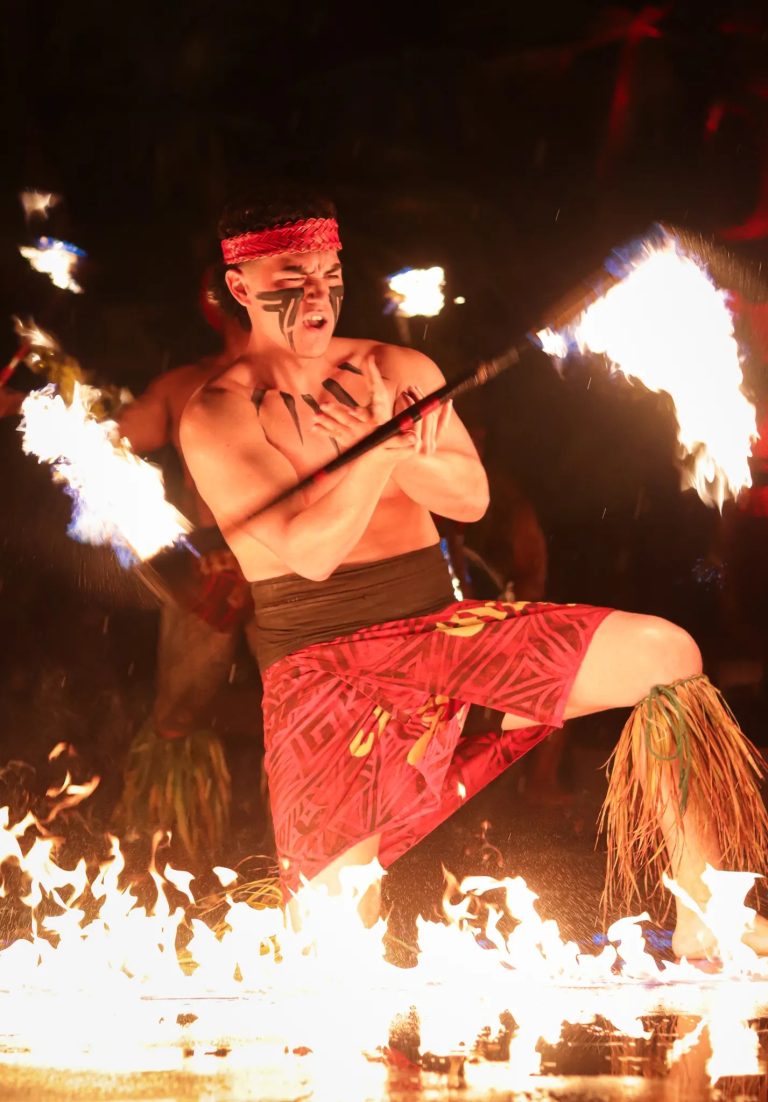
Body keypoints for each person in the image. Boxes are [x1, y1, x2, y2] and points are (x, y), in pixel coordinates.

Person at [180, 189, 768, 958]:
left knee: (667, 657)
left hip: (441, 633)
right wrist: (379, 453)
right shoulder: (218, 413)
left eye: (330, 272)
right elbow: (310, 552)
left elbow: (470, 494)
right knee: (330, 949)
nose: (319, 295)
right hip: (322, 671)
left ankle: (710, 922)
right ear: (242, 288)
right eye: (294, 277)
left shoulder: (396, 367)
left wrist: (405, 447)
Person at [115, 286, 258, 855]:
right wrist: (36, 405)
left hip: (295, 565)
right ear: (212, 299)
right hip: (211, 567)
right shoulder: (183, 385)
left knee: (305, 697)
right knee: (177, 712)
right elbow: (115, 435)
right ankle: (175, 842)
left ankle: (313, 842)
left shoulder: (312, 377)